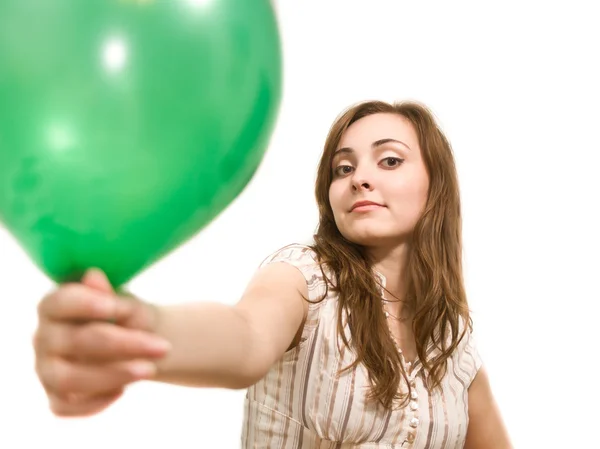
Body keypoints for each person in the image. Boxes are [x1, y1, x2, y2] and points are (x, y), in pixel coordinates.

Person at [32, 100, 513, 448]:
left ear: (436, 187)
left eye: (389, 160)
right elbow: (244, 338)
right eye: (342, 168)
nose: (358, 178)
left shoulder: (451, 342)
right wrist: (138, 329)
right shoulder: (307, 278)